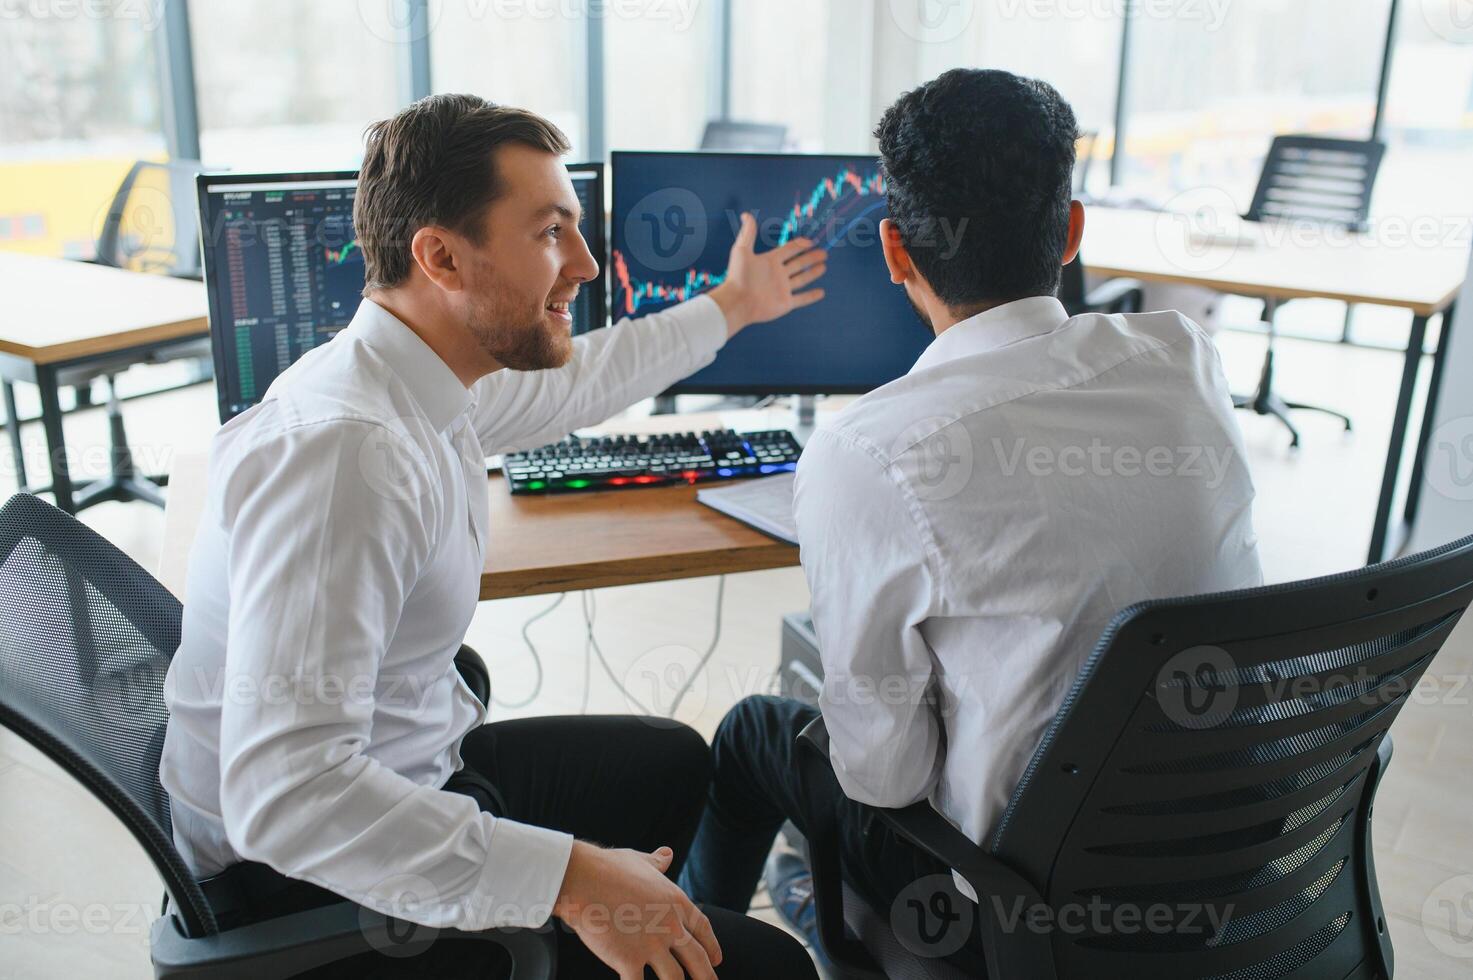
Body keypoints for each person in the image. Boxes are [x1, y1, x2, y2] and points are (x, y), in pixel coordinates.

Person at [160, 94, 825, 978]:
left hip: (412, 759)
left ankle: (654, 929)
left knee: (671, 763)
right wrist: (578, 882)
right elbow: (287, 798)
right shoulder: (343, 459)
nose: (584, 264)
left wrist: (732, 306)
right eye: (551, 232)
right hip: (306, 874)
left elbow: (582, 380)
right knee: (770, 966)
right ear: (439, 255)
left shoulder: (419, 376)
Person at [679, 68, 1264, 969]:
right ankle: (805, 898)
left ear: (892, 252)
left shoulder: (869, 451)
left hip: (1013, 901)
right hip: (1220, 857)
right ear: (1070, 233)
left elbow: (883, 777)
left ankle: (699, 946)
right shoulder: (1184, 355)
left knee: (761, 731)